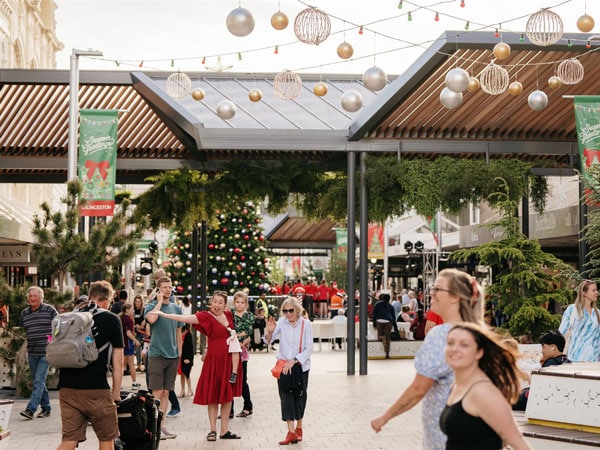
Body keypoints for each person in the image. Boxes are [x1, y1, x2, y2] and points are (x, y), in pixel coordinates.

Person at [371, 268, 485, 450]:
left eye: (438, 289)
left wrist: (385, 417)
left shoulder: (442, 336)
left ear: (455, 297)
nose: (431, 293)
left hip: (445, 438)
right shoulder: (480, 334)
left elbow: (418, 389)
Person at [149, 290, 242, 442]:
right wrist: (164, 315)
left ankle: (224, 430)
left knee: (227, 396)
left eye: (220, 302)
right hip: (213, 360)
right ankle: (213, 430)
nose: (217, 305)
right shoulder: (206, 316)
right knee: (213, 395)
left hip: (229, 360)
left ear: (225, 305)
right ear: (211, 303)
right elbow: (185, 318)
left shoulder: (229, 316)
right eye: (215, 301)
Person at [440, 323, 533, 450]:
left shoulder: (483, 391)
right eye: (450, 343)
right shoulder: (457, 385)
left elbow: (519, 443)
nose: (454, 349)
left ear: (479, 352)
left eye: (464, 345)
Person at [56, 280, 125, 450]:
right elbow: (119, 361)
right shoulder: (112, 319)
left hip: (67, 388)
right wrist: (116, 393)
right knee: (106, 439)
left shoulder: (69, 317)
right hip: (97, 390)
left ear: (90, 296)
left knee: (70, 440)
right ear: (108, 300)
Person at [265, 296, 313, 445]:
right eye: (285, 311)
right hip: (284, 366)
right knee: (286, 397)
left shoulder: (306, 325)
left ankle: (299, 428)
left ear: (297, 310)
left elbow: (309, 348)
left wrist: (295, 360)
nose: (288, 314)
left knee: (299, 396)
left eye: (291, 310)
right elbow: (268, 341)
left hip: (300, 366)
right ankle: (291, 432)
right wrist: (270, 332)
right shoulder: (282, 322)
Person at [144, 276, 183, 440]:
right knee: (157, 392)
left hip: (172, 356)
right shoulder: (151, 307)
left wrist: (179, 353)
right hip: (156, 355)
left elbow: (178, 331)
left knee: (167, 392)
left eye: (170, 287)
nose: (168, 290)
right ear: (158, 289)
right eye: (164, 287)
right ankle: (152, 427)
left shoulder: (176, 308)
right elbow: (152, 319)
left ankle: (162, 426)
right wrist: (159, 302)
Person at [20, 286, 58, 420]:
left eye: (35, 296)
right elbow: (26, 330)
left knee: (39, 380)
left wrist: (51, 341)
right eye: (30, 296)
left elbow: (58, 328)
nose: (32, 298)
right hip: (32, 352)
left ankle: (30, 409)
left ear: (41, 298)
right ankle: (46, 408)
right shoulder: (24, 313)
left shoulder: (50, 310)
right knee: (39, 382)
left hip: (46, 352)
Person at [559, 279, 600, 362]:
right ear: (584, 293)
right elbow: (561, 332)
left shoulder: (597, 313)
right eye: (593, 290)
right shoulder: (572, 309)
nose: (597, 293)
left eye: (596, 290)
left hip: (594, 360)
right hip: (575, 357)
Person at [231, 291, 254, 418]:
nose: (239, 305)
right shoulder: (231, 315)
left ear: (246, 304)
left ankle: (248, 406)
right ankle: (229, 409)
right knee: (229, 378)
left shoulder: (248, 315)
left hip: (241, 350)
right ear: (234, 303)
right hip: (231, 349)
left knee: (242, 379)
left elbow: (248, 330)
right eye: (237, 302)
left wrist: (239, 337)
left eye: (242, 302)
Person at [120, 303, 141, 390]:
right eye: (132, 309)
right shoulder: (129, 320)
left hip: (121, 343)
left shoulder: (120, 318)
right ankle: (134, 383)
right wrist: (136, 341)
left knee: (121, 365)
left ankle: (118, 384)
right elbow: (128, 333)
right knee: (131, 364)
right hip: (128, 343)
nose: (133, 310)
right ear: (127, 310)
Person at [372, 293, 398, 359]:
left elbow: (374, 314)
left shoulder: (377, 304)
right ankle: (387, 354)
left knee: (379, 337)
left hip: (379, 321)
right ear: (389, 299)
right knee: (388, 338)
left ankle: (380, 352)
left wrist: (374, 323)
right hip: (388, 322)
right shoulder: (390, 306)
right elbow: (393, 317)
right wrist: (395, 326)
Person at [178, 324, 194, 397]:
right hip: (181, 358)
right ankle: (182, 390)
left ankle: (190, 390)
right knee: (182, 374)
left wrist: (189, 359)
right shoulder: (181, 333)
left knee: (186, 374)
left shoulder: (188, 335)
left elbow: (190, 348)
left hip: (186, 358)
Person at [132, 294, 146, 372]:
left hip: (143, 332)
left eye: (139, 301)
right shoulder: (132, 310)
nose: (137, 303)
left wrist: (141, 326)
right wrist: (135, 326)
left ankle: (146, 365)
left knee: (144, 349)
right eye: (136, 301)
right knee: (137, 350)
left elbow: (146, 320)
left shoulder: (144, 310)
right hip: (135, 333)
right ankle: (139, 365)